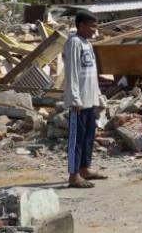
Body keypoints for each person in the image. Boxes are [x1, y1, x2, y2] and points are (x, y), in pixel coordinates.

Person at [64, 10, 107, 188]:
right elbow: (72, 73)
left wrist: (97, 96)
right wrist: (75, 99)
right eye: (91, 26)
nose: (94, 30)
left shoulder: (87, 44)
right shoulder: (74, 43)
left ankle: (84, 168)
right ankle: (74, 175)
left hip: (90, 99)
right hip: (79, 101)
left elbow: (92, 74)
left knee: (89, 136)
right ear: (81, 25)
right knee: (77, 139)